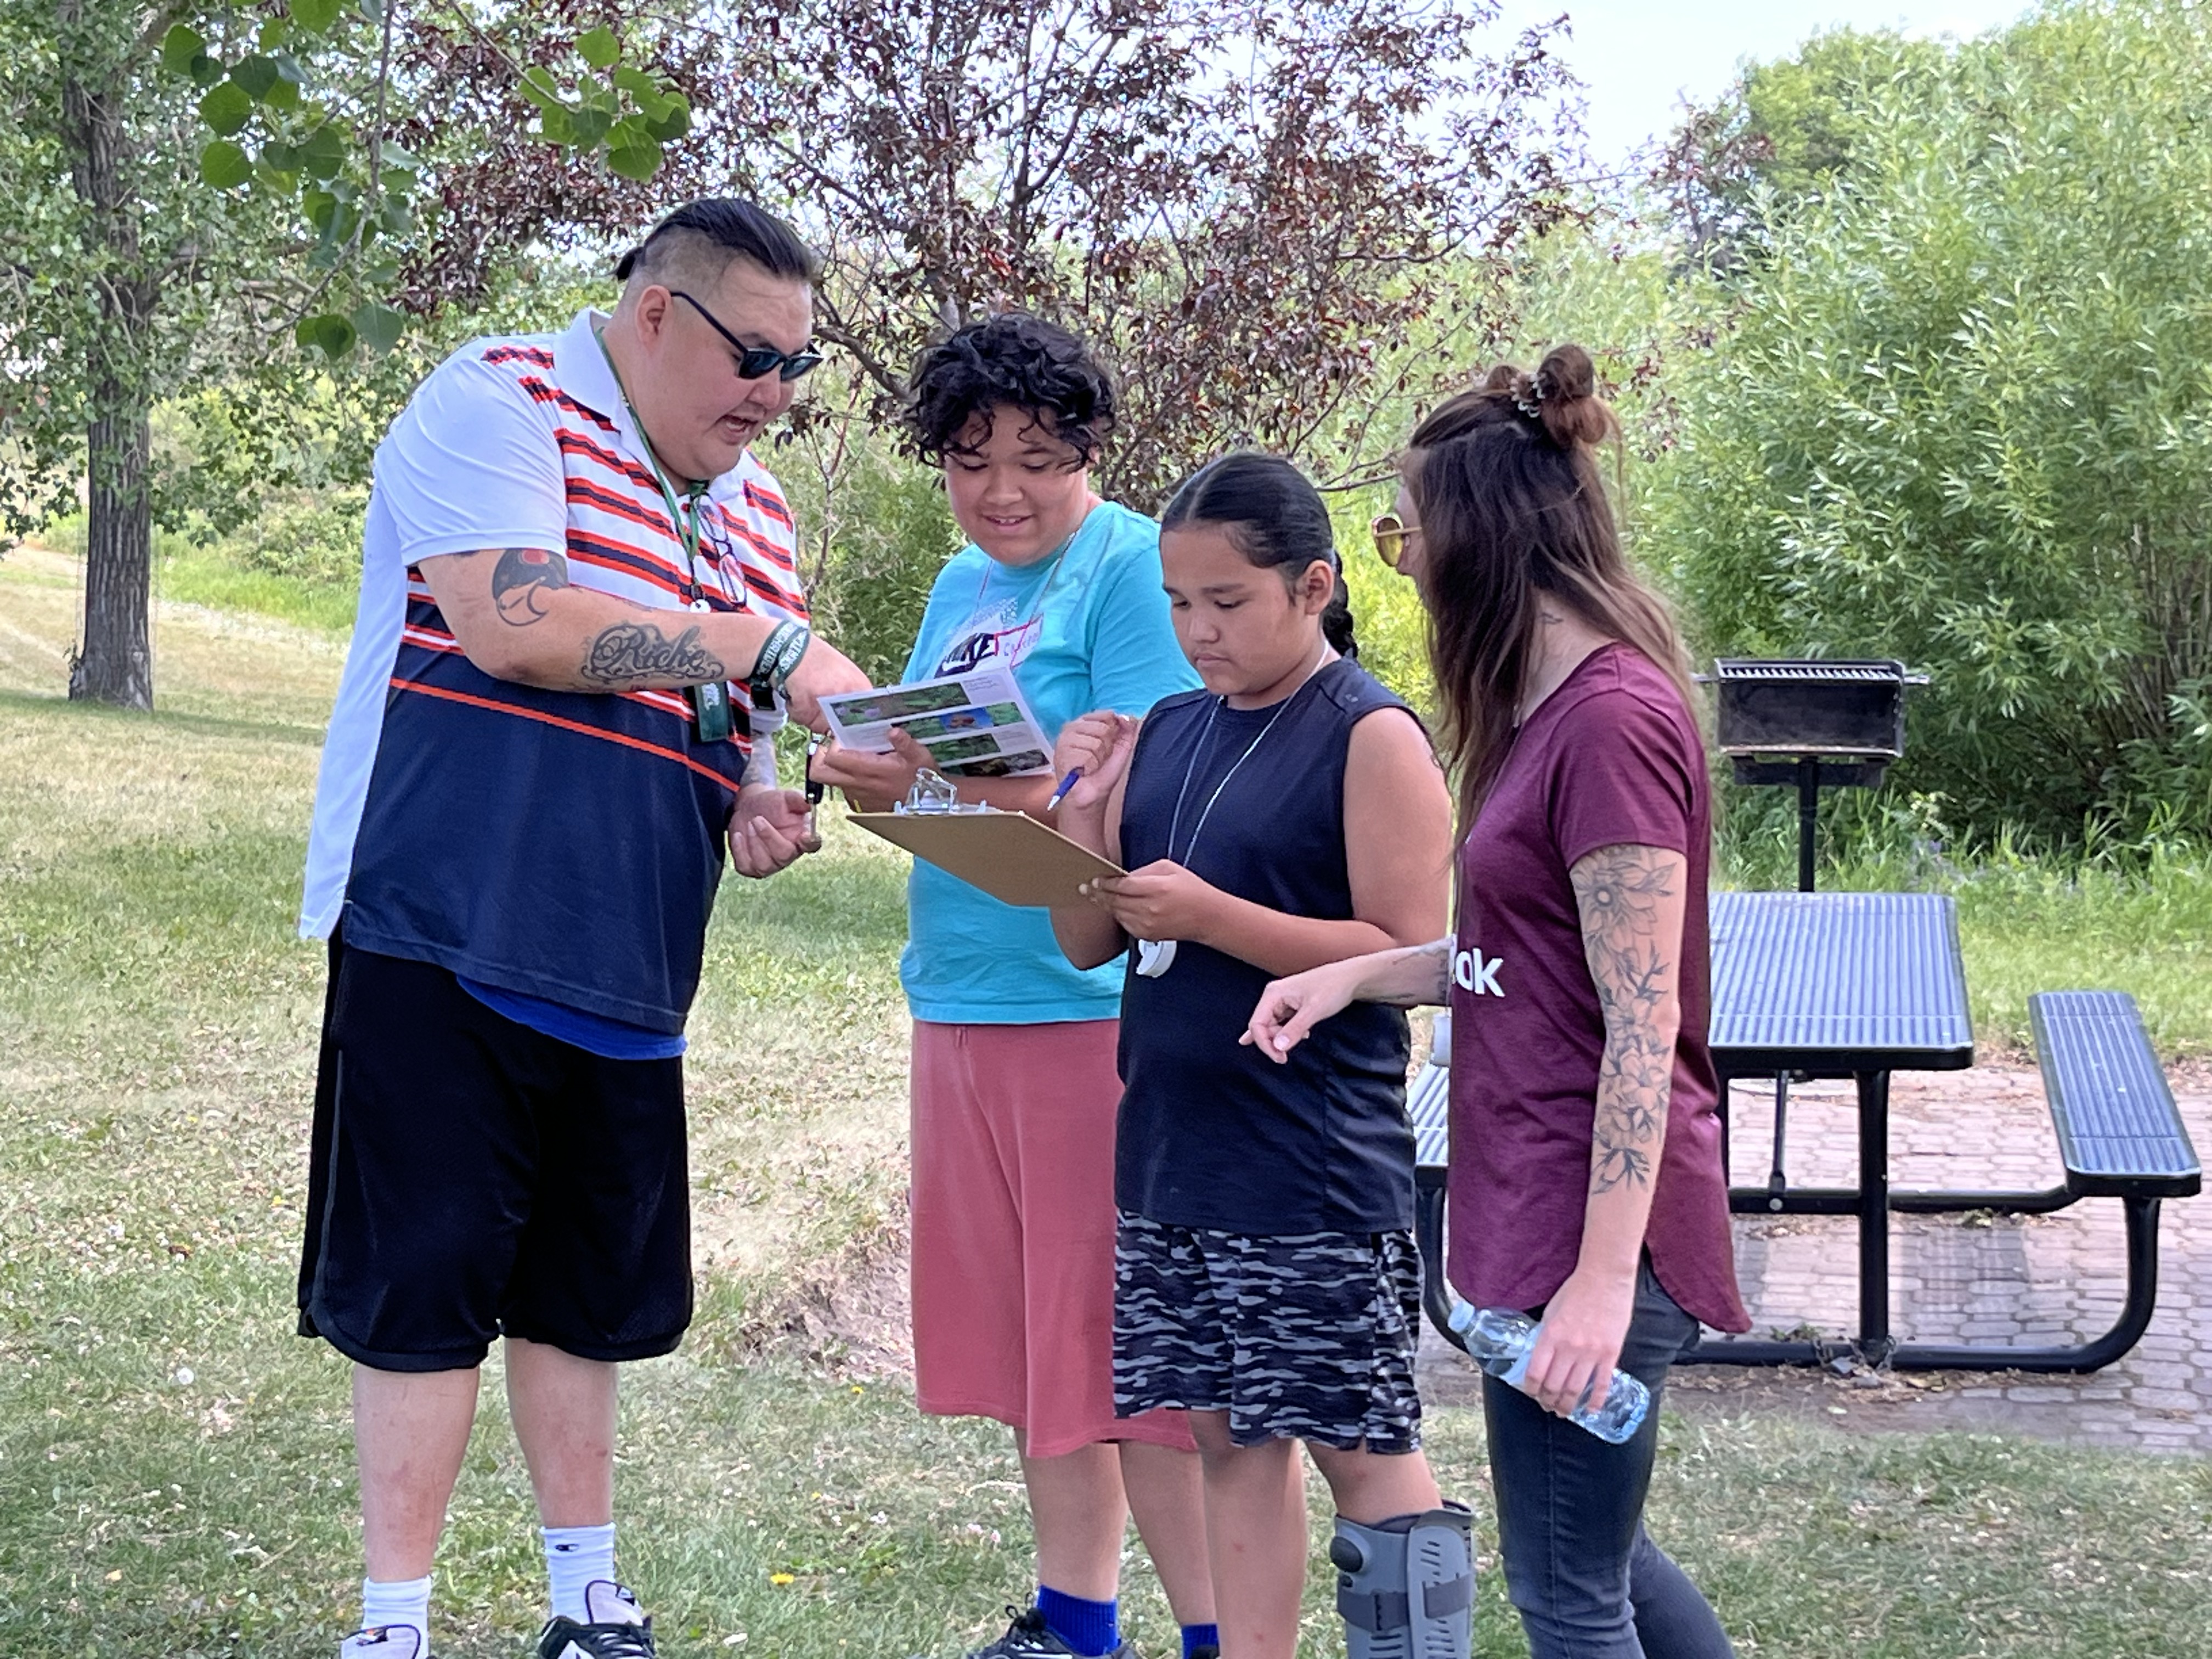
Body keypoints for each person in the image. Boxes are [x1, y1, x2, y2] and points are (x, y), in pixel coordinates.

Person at [294, 198, 871, 1659]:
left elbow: (744, 721)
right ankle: (394, 1627)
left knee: (582, 1302)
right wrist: (752, 648)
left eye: (800, 369)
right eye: (757, 355)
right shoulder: (499, 400)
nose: (776, 397)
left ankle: (585, 1601)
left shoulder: (757, 507)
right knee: (423, 1290)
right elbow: (515, 622)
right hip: (444, 927)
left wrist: (757, 799)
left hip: (628, 968)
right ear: (659, 315)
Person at [1243, 348, 1752, 1659]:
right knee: (1599, 1556)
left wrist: (1597, 1283)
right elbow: (1521, 959)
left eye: (1402, 528)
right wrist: (1353, 973)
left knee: (1567, 1597)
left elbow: (1644, 1028)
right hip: (1533, 1206)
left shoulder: (1612, 725)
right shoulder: (1538, 712)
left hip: (1601, 1234)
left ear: (1479, 534)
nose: (1394, 559)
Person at [809, 314, 1217, 1659]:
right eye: (972, 458)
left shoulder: (1136, 570)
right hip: (964, 997)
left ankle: (1220, 1632)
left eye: (1038, 457)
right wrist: (884, 781)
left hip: (1089, 1010)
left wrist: (940, 780)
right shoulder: (958, 585)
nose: (1003, 490)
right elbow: (955, 770)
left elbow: (1141, 793)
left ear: (1089, 452)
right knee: (1038, 1362)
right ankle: (1076, 1624)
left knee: (1122, 1360)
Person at [1046, 453, 1466, 1659]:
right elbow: (1086, 938)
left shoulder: (1369, 733)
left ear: (1313, 586)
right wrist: (1080, 804)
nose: (1197, 631)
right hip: (1176, 1157)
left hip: (1309, 1163)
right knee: (1231, 1442)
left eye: (1226, 602)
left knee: (1363, 1448)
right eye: (1179, 603)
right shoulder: (1169, 729)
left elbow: (1409, 948)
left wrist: (1214, 916)